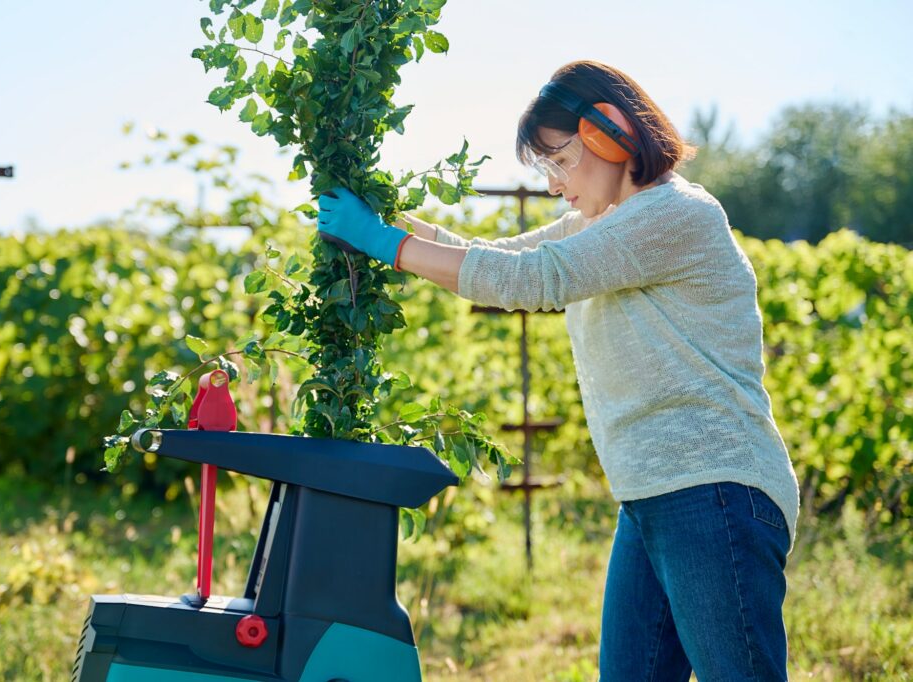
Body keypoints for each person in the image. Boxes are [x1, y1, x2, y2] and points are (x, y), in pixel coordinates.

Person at [315, 59, 800, 681]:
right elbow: (498, 256)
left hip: (713, 489)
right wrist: (384, 217)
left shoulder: (676, 214)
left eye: (559, 160)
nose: (553, 184)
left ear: (610, 133)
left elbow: (531, 279)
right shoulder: (600, 222)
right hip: (650, 495)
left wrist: (387, 245)